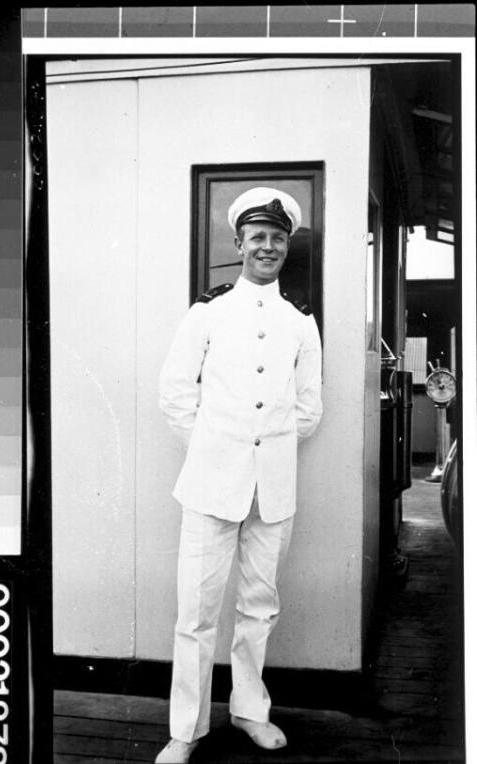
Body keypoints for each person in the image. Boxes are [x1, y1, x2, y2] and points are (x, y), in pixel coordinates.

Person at [156, 186, 323, 763]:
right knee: (197, 613)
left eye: (278, 239)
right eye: (258, 237)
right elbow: (176, 395)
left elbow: (308, 408)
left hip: (273, 489)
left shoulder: (300, 322)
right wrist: (217, 450)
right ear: (239, 243)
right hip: (209, 486)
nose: (268, 247)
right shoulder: (208, 312)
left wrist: (263, 451)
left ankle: (251, 711)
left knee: (260, 606)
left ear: (286, 246)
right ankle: (187, 729)